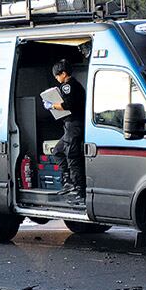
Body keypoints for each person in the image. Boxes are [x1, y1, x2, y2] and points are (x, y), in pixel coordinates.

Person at [43, 59, 87, 203]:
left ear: (63, 74)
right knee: (57, 151)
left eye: (57, 75)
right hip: (70, 127)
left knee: (73, 157)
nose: (56, 78)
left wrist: (52, 106)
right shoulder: (74, 85)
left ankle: (79, 190)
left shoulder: (68, 85)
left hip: (74, 126)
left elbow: (69, 104)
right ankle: (68, 180)